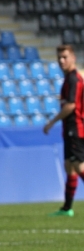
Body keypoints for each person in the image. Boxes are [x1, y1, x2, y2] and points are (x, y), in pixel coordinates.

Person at [43, 44, 84, 217]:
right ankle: (67, 209)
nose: (61, 61)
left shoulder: (74, 79)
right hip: (70, 128)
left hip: (76, 128)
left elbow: (71, 106)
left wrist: (52, 122)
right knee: (69, 166)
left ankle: (67, 208)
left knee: (78, 165)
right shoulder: (69, 79)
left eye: (65, 57)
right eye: (59, 57)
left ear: (73, 58)